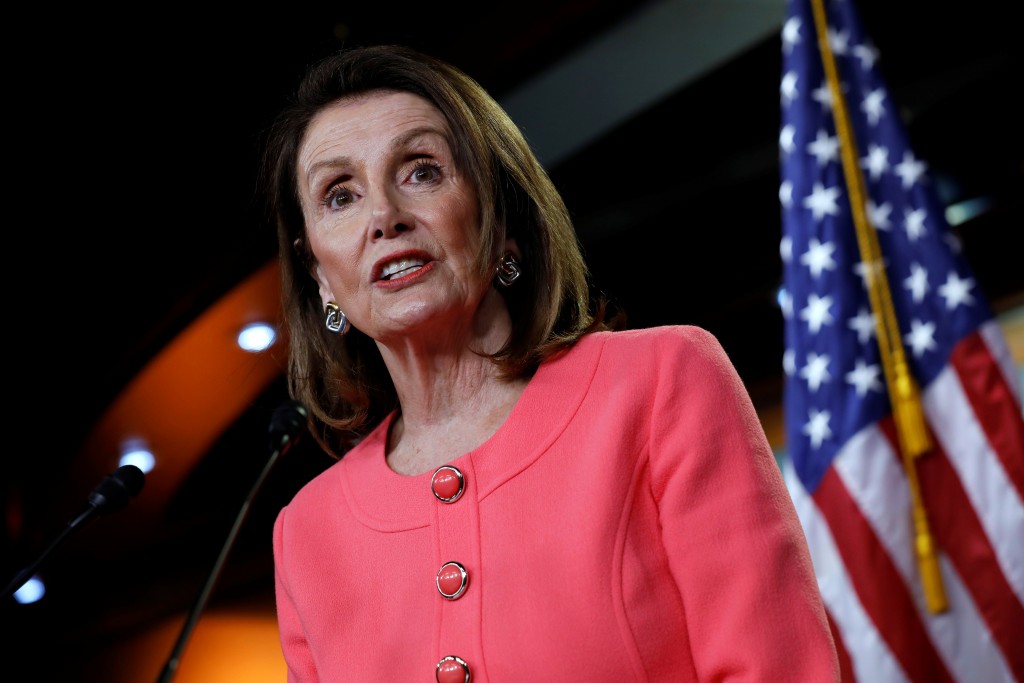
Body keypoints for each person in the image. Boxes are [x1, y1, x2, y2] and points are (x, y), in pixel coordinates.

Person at [262, 43, 840, 682]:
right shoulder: (304, 534)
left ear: (500, 216)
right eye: (339, 195)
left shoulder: (661, 382)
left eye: (421, 170)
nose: (384, 217)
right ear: (318, 273)